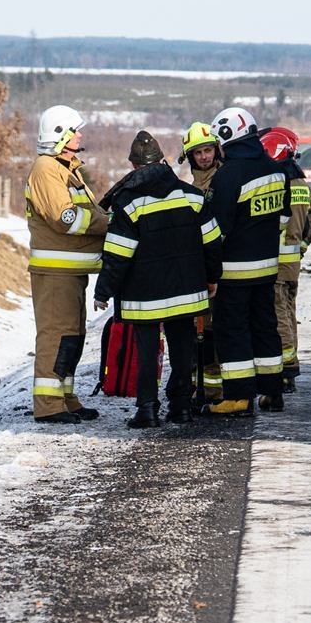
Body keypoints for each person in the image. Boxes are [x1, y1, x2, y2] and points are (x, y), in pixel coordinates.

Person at [96, 129, 222, 428]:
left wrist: (103, 291)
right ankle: (181, 407)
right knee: (183, 350)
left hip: (145, 297)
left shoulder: (127, 202)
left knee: (147, 351)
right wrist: (212, 277)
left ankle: (147, 409)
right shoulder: (192, 196)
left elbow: (118, 253)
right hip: (187, 292)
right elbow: (212, 242)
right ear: (163, 161)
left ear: (134, 165)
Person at [23, 103, 107, 423]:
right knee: (56, 335)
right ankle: (48, 405)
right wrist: (109, 224)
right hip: (55, 273)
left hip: (70, 272)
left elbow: (88, 211)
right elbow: (65, 217)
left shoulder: (65, 169)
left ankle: (66, 398)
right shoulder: (46, 169)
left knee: (72, 335)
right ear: (60, 134)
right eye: (75, 131)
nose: (80, 136)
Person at [203, 106, 287, 416]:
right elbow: (282, 219)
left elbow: (217, 232)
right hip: (267, 268)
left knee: (233, 330)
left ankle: (238, 397)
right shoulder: (276, 169)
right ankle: (272, 391)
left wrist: (209, 270)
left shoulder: (228, 175)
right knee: (265, 326)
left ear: (227, 137)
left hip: (235, 271)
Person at [262, 127, 311, 390]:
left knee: (278, 316)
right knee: (289, 315)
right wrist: (300, 250)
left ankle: (285, 370)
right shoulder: (302, 184)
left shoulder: (277, 184)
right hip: (292, 265)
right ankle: (290, 366)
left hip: (276, 266)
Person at [178, 120, 225, 401]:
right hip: (199, 270)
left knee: (213, 331)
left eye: (208, 150)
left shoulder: (223, 181)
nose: (204, 157)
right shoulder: (192, 187)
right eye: (198, 152)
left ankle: (214, 388)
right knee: (199, 330)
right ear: (190, 157)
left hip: (218, 271)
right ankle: (199, 387)